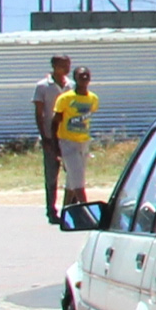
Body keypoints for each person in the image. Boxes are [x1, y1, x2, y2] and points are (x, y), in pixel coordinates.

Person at [51, 66, 98, 209]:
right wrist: (55, 145)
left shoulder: (93, 99)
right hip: (68, 142)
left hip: (83, 141)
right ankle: (86, 210)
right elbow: (55, 122)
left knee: (72, 181)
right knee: (78, 180)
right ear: (75, 78)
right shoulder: (65, 98)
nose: (84, 78)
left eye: (87, 75)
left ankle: (66, 211)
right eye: (81, 75)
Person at [32, 55, 70, 213]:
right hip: (50, 136)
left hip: (68, 136)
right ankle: (51, 208)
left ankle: (70, 207)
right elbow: (39, 113)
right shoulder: (43, 86)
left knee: (72, 173)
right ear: (54, 66)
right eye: (63, 65)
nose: (66, 69)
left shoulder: (71, 85)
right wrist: (44, 136)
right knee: (51, 174)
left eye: (68, 65)